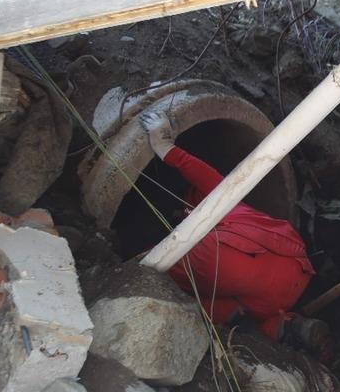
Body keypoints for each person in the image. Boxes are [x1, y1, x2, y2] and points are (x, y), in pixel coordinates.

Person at [139, 111, 329, 357]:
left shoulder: (199, 247)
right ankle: (289, 328)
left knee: (148, 271)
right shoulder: (231, 203)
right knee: (256, 307)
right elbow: (205, 175)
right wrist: (164, 147)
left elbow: (157, 272)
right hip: (294, 264)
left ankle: (265, 327)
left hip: (236, 260)